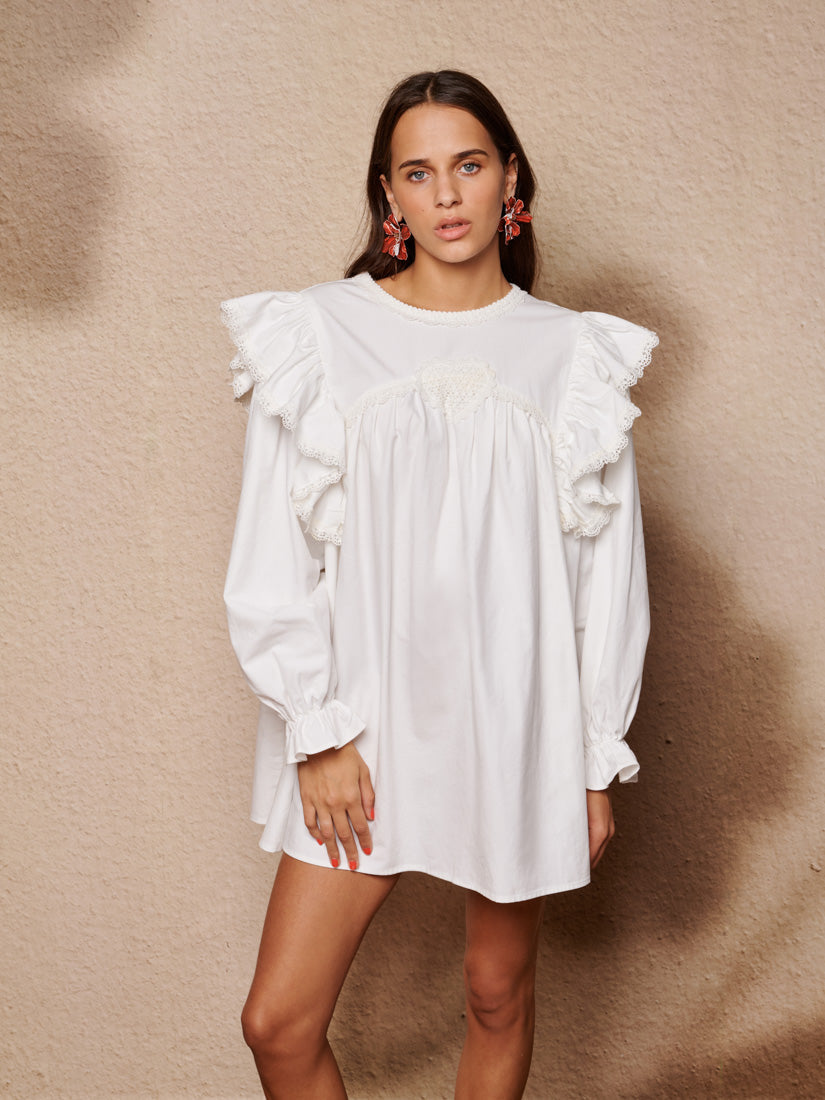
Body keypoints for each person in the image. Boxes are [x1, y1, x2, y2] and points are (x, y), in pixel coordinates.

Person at [220, 69, 657, 1100]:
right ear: (389, 195)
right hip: (362, 723)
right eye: (418, 173)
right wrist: (316, 731)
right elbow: (272, 552)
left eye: (468, 164)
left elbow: (607, 571)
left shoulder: (571, 355)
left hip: (517, 719)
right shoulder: (318, 334)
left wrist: (593, 758)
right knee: (278, 1021)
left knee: (496, 994)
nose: (447, 194)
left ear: (511, 177)